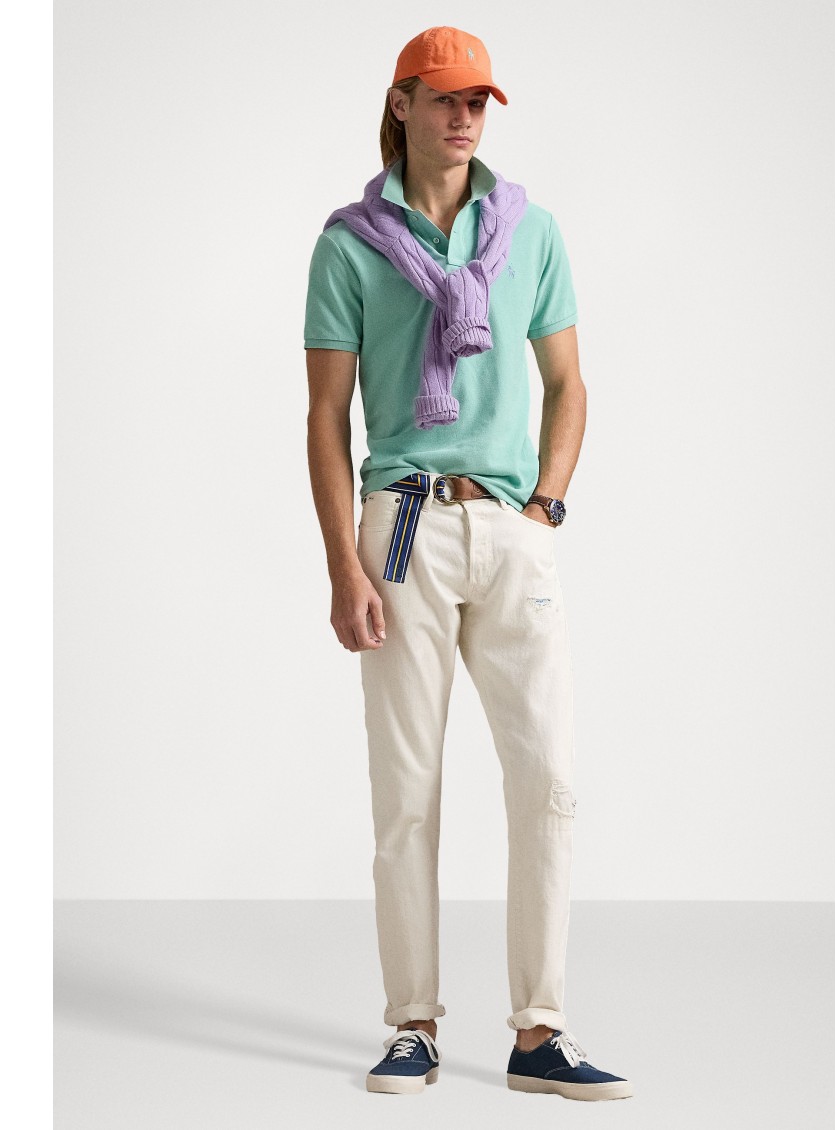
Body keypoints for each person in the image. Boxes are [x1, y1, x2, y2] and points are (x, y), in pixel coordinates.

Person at [304, 25, 633, 1103]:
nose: (464, 116)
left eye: (477, 100)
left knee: (549, 782)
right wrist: (342, 563)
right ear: (400, 104)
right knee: (406, 790)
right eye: (443, 98)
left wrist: (545, 507)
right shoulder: (349, 244)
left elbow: (567, 382)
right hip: (400, 524)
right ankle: (412, 1024)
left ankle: (540, 1029)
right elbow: (325, 414)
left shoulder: (530, 233)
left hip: (509, 529)